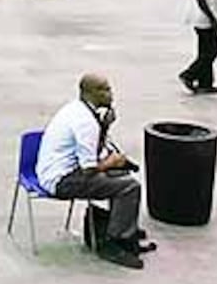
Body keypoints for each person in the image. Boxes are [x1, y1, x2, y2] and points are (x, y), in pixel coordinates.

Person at [36, 73, 153, 270]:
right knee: (129, 187)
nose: (111, 94)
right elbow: (89, 169)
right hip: (61, 181)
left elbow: (94, 152)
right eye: (104, 90)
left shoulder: (80, 109)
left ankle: (126, 230)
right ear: (90, 93)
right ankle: (114, 243)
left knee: (121, 176)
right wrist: (112, 162)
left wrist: (105, 128)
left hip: (62, 170)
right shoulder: (85, 122)